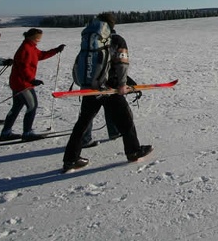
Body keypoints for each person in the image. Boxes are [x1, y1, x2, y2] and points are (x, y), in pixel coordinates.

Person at [63, 12, 152, 172]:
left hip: (90, 87)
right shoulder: (117, 40)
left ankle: (70, 159)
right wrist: (123, 85)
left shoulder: (91, 40)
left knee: (82, 123)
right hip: (110, 88)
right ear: (112, 25)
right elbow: (121, 64)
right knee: (126, 121)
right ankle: (133, 151)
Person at [0, 28, 65, 141]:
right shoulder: (25, 49)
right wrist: (32, 80)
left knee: (16, 108)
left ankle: (6, 132)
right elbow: (23, 68)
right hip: (23, 84)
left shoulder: (31, 47)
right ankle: (27, 133)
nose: (39, 40)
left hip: (19, 83)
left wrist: (56, 50)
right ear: (31, 37)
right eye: (37, 38)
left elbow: (40, 55)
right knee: (32, 106)